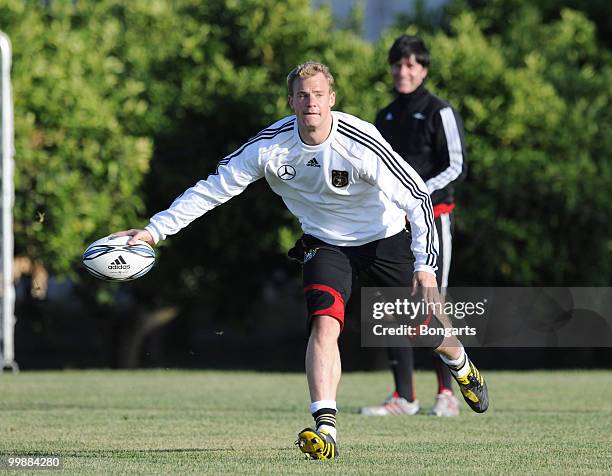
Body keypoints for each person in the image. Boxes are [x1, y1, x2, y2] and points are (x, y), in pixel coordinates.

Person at [112, 61, 487, 460]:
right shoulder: (269, 146)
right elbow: (212, 189)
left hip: (384, 239)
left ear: (332, 99)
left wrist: (423, 264)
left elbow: (417, 197)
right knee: (325, 324)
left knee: (422, 330)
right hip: (325, 245)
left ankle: (460, 361)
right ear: (291, 101)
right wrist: (154, 231)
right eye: (303, 95)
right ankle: (326, 429)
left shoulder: (360, 141)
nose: (311, 103)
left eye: (319, 95)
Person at [360, 35, 468, 418]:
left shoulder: (441, 111)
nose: (402, 72)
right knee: (392, 305)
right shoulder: (385, 116)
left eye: (410, 65)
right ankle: (404, 397)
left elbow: (455, 165)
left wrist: (415, 194)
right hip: (391, 223)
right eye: (397, 64)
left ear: (423, 69)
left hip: (434, 217)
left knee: (433, 301)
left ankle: (446, 394)